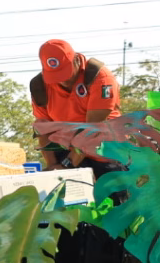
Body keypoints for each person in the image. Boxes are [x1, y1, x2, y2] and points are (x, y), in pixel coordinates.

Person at [29, 39, 122, 170]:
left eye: (65, 73)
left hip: (105, 151)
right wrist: (53, 166)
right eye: (56, 76)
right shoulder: (39, 87)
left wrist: (67, 164)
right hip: (68, 149)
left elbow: (93, 129)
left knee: (109, 188)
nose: (63, 80)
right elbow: (43, 130)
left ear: (76, 59)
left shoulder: (99, 77)